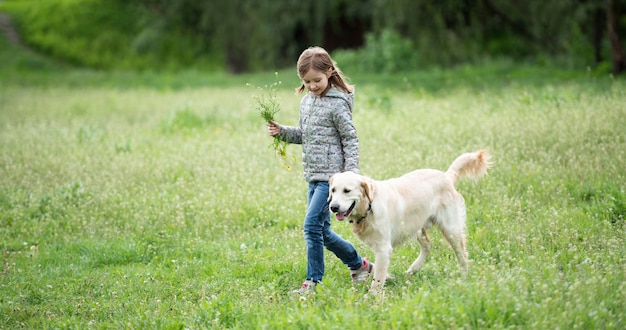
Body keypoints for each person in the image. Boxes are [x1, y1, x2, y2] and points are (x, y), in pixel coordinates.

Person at [267, 46, 374, 294]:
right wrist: (282, 132)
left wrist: (352, 174)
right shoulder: (307, 102)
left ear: (329, 72)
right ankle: (361, 266)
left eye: (317, 80)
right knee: (322, 232)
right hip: (313, 177)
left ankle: (312, 282)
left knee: (311, 227)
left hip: (333, 179)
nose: (313, 85)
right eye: (307, 81)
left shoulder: (337, 104)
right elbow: (305, 135)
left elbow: (350, 138)